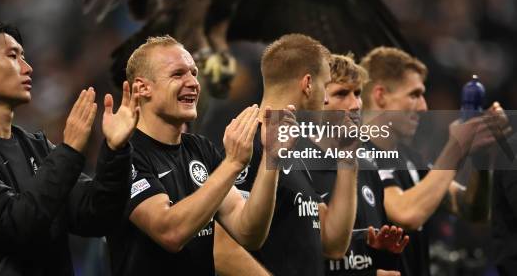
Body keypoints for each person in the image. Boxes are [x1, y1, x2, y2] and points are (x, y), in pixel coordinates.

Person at [0, 18, 139, 275]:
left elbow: (98, 215)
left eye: (24, 57)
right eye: (13, 56)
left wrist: (116, 151)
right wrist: (69, 150)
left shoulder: (38, 149)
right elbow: (14, 224)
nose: (27, 68)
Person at [108, 35, 290, 276]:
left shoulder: (200, 149)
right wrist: (233, 163)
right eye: (178, 74)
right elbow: (170, 233)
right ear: (143, 88)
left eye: (193, 73)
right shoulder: (125, 154)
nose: (193, 82)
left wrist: (271, 158)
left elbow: (248, 232)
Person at [216, 34, 357, 276]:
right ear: (308, 84)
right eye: (325, 86)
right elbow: (223, 246)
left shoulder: (295, 150)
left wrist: (348, 159)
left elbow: (333, 244)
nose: (325, 99)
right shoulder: (244, 146)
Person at [360, 46, 501, 276]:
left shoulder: (410, 159)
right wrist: (457, 146)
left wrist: (480, 156)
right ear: (380, 95)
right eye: (414, 95)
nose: (424, 107)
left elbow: (472, 209)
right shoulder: (354, 153)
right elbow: (406, 214)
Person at [309, 53, 408, 276]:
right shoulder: (296, 167)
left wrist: (383, 254)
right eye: (342, 93)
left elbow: (364, 260)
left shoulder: (367, 168)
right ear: (316, 98)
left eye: (357, 93)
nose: (355, 105)